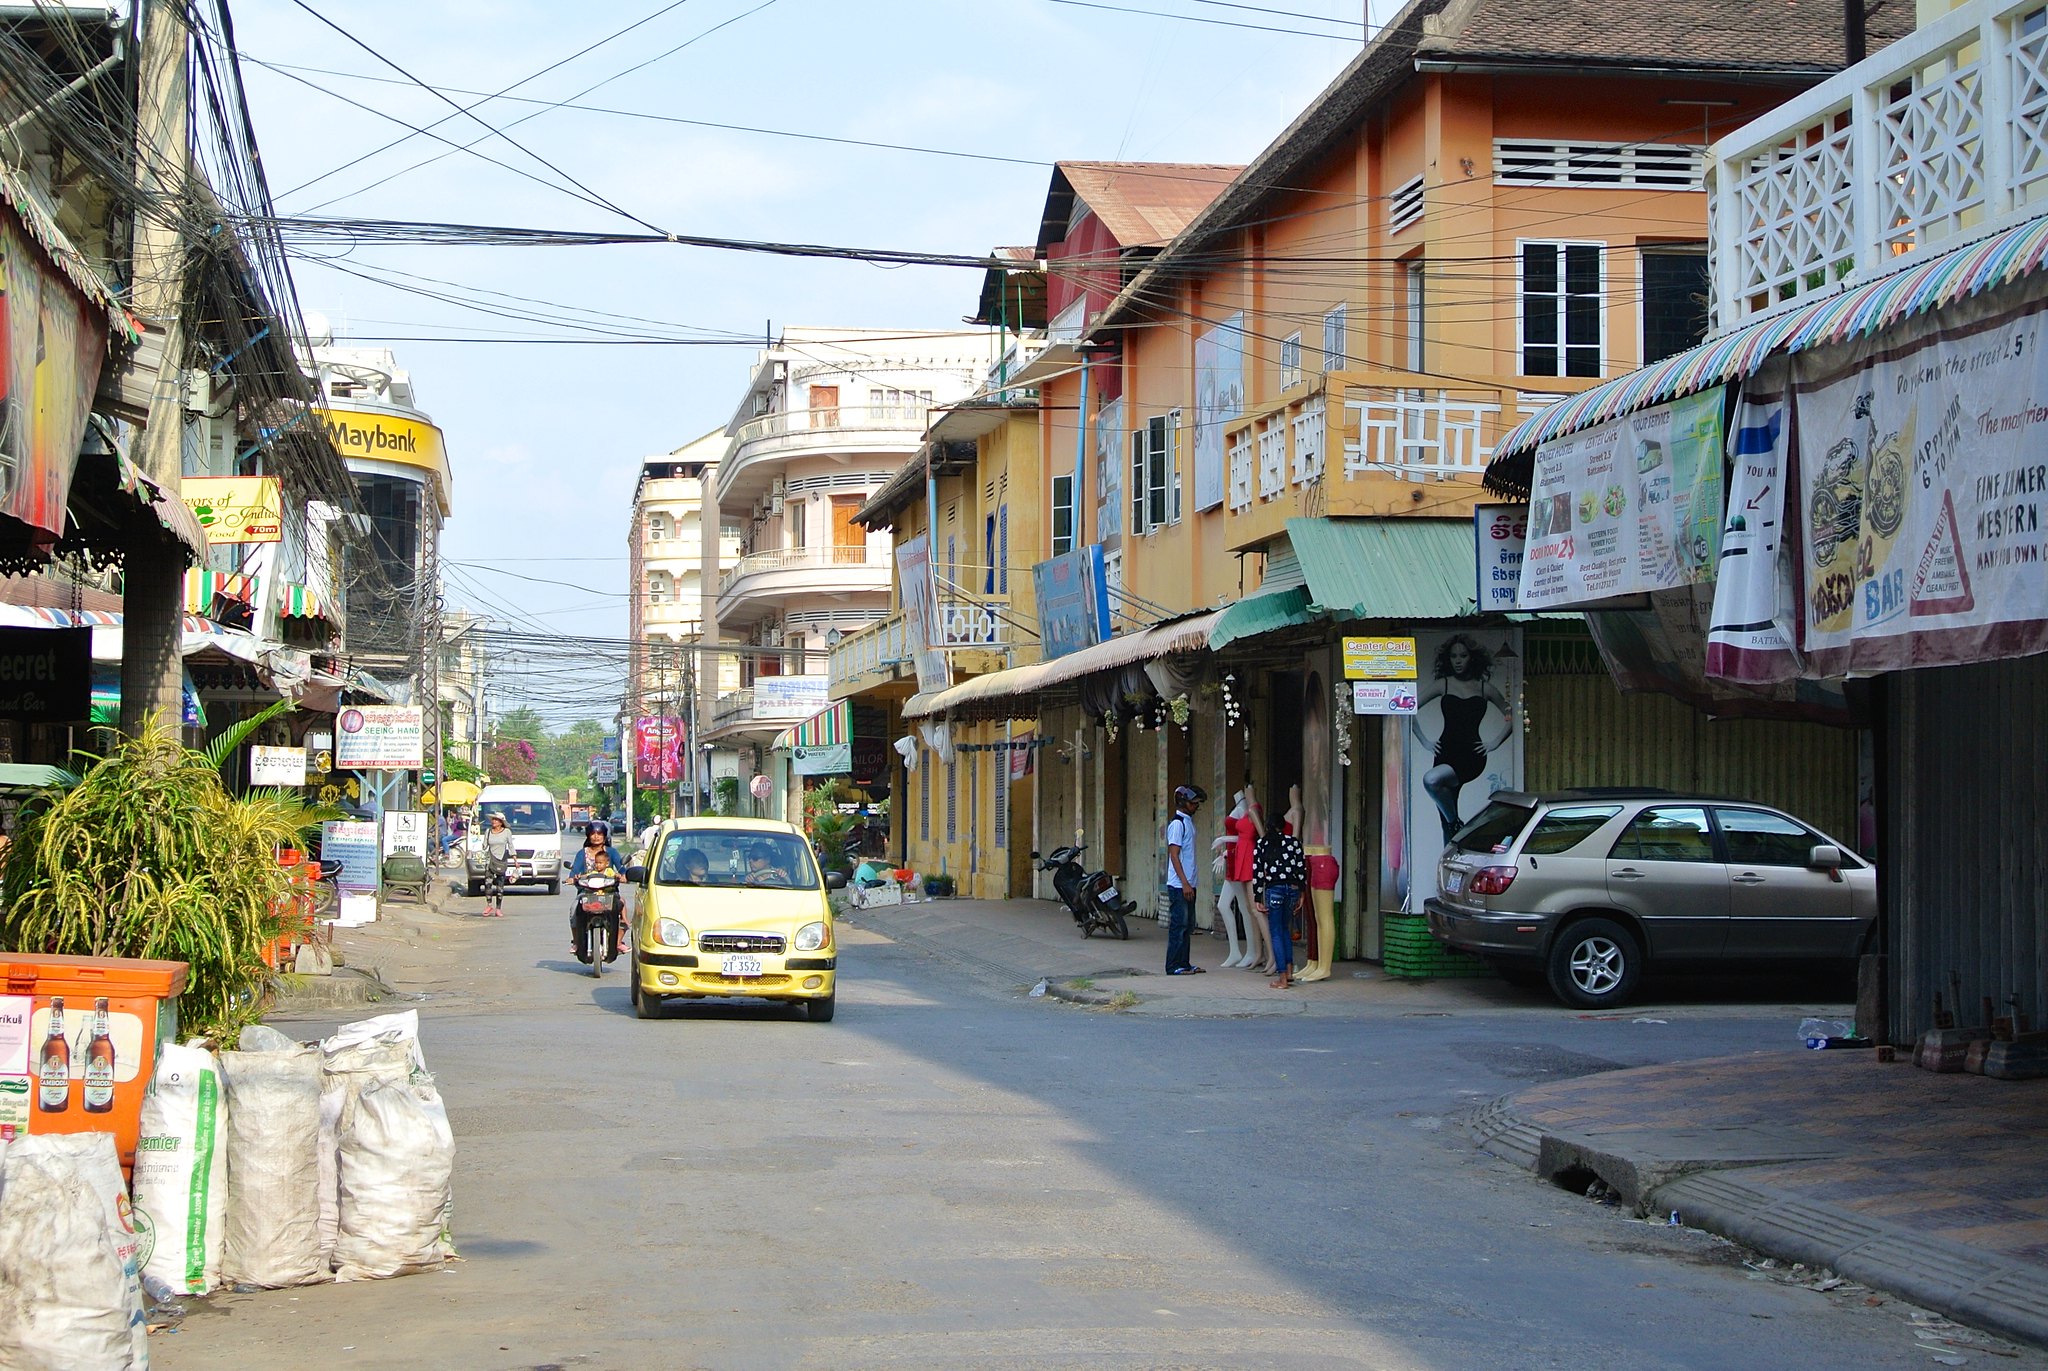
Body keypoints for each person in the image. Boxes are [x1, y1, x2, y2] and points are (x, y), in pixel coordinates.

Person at [1412, 634, 1514, 841]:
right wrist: (1424, 740)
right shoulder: (1443, 685)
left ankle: (1456, 822)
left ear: (1472, 658)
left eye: (1463, 655)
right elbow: (1408, 707)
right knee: (1443, 816)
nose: (1458, 660)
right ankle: (1450, 857)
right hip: (1445, 752)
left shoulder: (1485, 688)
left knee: (1431, 780)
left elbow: (1512, 715)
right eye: (1453, 656)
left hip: (1471, 756)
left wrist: (1494, 742)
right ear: (1448, 659)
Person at [1252, 808, 1308, 989]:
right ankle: (1290, 970)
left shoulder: (1262, 844)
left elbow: (1258, 872)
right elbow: (1301, 869)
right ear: (1284, 827)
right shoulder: (1294, 843)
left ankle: (1282, 977)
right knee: (1285, 929)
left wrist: (1257, 896)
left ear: (1268, 826)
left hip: (1274, 890)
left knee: (1275, 932)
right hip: (1292, 889)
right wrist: (1302, 893)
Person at [1163, 784, 1206, 976]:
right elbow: (1174, 856)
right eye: (1193, 803)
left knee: (1187, 927)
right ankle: (1173, 966)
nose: (1196, 806)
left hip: (1189, 884)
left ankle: (1185, 964)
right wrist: (1185, 883)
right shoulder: (1177, 824)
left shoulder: (1188, 822)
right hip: (1179, 885)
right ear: (1183, 802)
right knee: (1178, 926)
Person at [566, 822, 617, 955]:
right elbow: (574, 871)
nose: (596, 837)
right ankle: (577, 941)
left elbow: (622, 868)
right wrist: (572, 878)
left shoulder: (611, 852)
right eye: (593, 834)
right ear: (588, 836)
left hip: (609, 893)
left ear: (605, 836)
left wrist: (623, 876)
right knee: (573, 910)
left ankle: (618, 942)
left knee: (622, 908)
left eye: (599, 834)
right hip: (586, 893)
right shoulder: (581, 854)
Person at [479, 813, 514, 917]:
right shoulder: (488, 832)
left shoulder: (507, 832)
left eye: (496, 820)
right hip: (490, 861)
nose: (493, 822)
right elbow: (484, 846)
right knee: (488, 883)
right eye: (493, 820)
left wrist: (515, 860)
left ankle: (498, 908)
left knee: (500, 886)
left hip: (501, 860)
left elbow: (511, 846)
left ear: (501, 823)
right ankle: (489, 905)